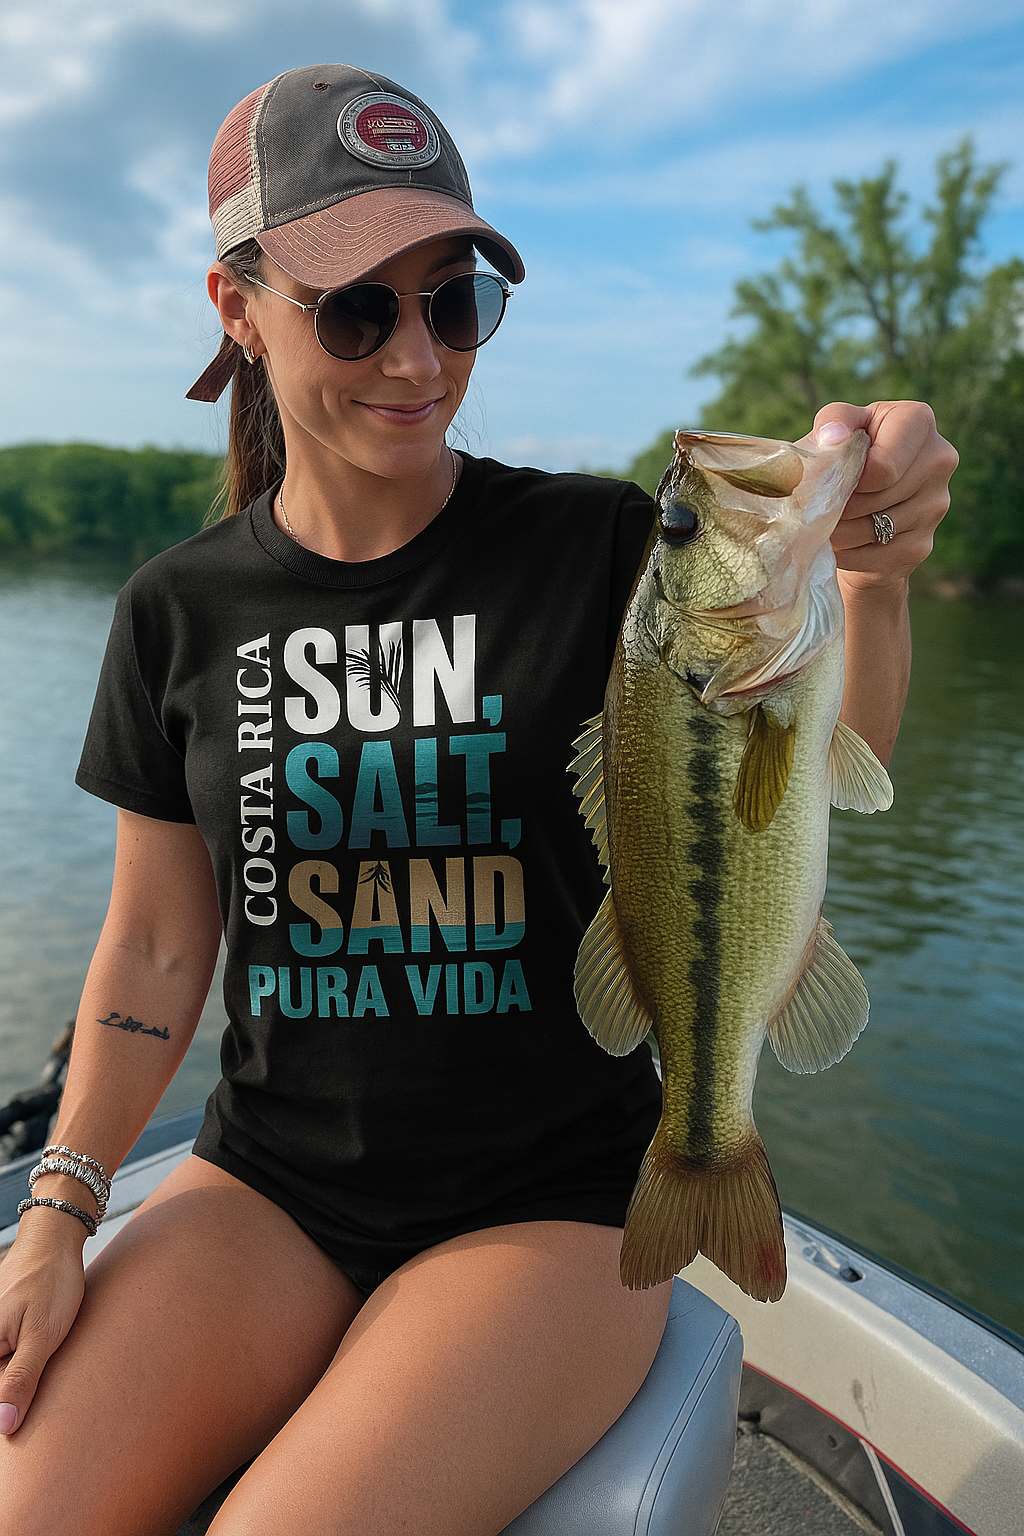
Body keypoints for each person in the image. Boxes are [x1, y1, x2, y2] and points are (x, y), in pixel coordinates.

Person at [0, 63, 956, 1536]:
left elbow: (809, 767)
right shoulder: (174, 613)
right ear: (237, 308)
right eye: (355, 309)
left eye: (454, 302)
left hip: (548, 1208)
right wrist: (60, 1210)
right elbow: (153, 951)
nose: (416, 357)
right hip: (268, 1189)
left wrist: (868, 572)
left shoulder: (603, 549)